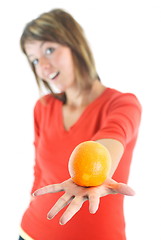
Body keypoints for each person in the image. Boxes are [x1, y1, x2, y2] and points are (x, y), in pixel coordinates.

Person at [19, 8, 142, 240]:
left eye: (49, 49)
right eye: (34, 59)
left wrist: (94, 173)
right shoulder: (43, 107)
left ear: (75, 44)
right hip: (31, 232)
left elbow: (112, 135)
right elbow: (39, 172)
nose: (43, 65)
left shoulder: (122, 104)